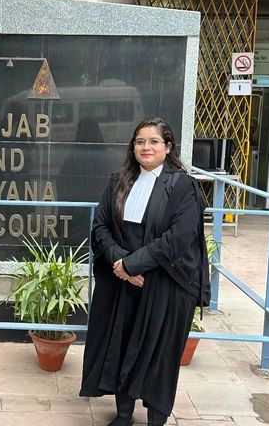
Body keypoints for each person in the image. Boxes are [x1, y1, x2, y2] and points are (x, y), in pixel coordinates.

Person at [80, 117, 210, 426]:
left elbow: (178, 238)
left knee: (159, 355)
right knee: (121, 345)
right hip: (122, 280)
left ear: (168, 146)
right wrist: (120, 263)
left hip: (166, 281)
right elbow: (101, 226)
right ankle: (124, 415)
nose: (146, 147)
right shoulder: (119, 180)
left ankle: (156, 419)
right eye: (140, 141)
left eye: (153, 141)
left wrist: (132, 265)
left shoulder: (183, 186)